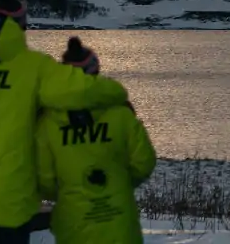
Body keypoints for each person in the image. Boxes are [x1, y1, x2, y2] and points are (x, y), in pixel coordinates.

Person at [0, 0, 131, 244]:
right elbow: (80, 89)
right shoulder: (36, 67)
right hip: (13, 198)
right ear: (21, 26)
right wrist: (116, 92)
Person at [35, 38, 156, 244]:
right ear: (96, 71)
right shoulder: (121, 113)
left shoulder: (47, 123)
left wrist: (69, 193)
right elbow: (144, 162)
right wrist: (119, 185)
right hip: (120, 225)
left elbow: (44, 178)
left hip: (73, 225)